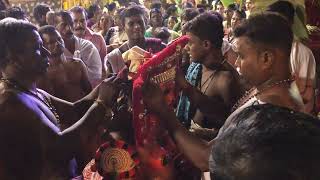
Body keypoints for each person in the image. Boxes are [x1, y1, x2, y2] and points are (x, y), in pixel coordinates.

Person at [142, 12, 304, 178]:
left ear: (266, 59)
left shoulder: (269, 110)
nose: (236, 62)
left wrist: (164, 110)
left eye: (241, 56)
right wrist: (212, 134)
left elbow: (205, 159)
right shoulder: (276, 91)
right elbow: (247, 141)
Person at [0, 17, 119, 179]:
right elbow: (59, 151)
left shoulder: (30, 90)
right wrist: (101, 104)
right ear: (12, 58)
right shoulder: (10, 104)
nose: (47, 53)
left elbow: (74, 110)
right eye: (37, 48)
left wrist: (104, 86)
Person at [176, 12, 242, 140]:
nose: (186, 48)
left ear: (206, 45)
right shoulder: (196, 67)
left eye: (190, 43)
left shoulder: (225, 79)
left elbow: (235, 129)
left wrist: (208, 134)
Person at [37, 25, 92, 128]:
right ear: (43, 46)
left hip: (84, 117)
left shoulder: (77, 64)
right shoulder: (43, 75)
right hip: (62, 125)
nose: (58, 44)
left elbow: (88, 91)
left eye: (59, 39)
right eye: (51, 42)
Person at [267, 1, 316, 114]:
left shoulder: (302, 53)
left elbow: (306, 98)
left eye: (280, 21)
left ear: (291, 23)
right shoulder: (264, 49)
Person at [105, 5, 166, 74]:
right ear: (123, 26)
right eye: (131, 24)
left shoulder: (160, 47)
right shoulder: (116, 57)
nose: (137, 26)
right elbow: (111, 83)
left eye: (140, 22)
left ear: (145, 23)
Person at [56, 10, 102, 87]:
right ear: (55, 27)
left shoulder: (87, 47)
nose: (69, 29)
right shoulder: (54, 51)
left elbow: (96, 76)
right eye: (64, 25)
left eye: (71, 24)